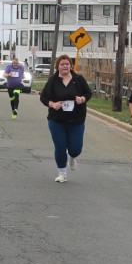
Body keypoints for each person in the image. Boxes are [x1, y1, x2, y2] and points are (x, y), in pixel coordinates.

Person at [39, 54, 92, 182]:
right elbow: (43, 97)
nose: (65, 66)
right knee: (60, 147)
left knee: (75, 149)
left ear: (70, 66)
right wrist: (53, 104)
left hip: (76, 120)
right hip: (57, 120)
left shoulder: (78, 79)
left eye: (67, 64)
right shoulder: (53, 81)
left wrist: (82, 99)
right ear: (58, 66)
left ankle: (72, 157)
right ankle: (62, 173)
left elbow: (88, 93)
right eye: (62, 64)